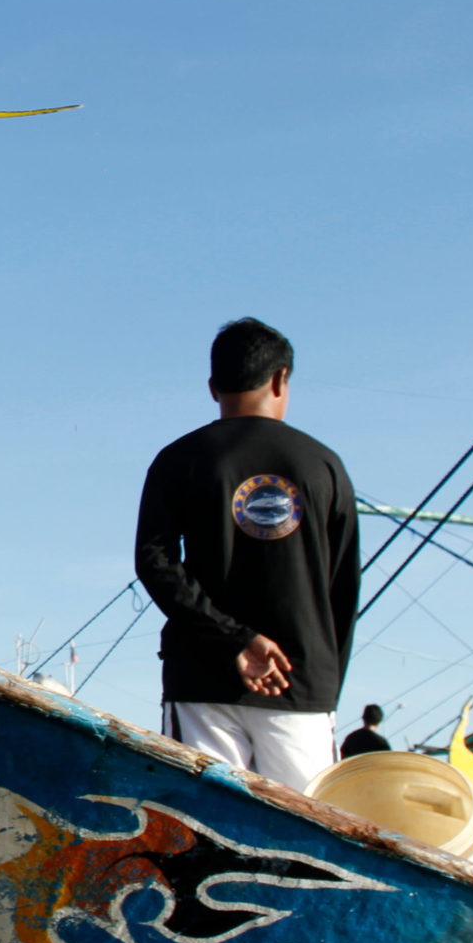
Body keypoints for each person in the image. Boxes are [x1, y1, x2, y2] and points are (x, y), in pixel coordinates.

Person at [136, 319, 360, 793]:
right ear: (281, 379)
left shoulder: (179, 458)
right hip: (299, 684)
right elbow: (344, 584)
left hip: (204, 680)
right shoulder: (323, 465)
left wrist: (233, 640)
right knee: (309, 834)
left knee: (204, 824)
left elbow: (154, 562)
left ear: (213, 386)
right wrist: (321, 681)